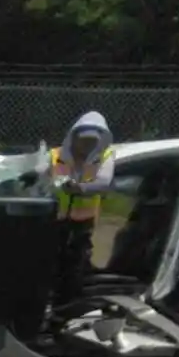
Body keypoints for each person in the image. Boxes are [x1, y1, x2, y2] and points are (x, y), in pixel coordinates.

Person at [50, 111, 115, 299]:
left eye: (93, 141)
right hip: (57, 219)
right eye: (84, 140)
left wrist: (81, 188)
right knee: (53, 262)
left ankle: (71, 300)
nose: (88, 145)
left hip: (83, 222)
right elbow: (57, 180)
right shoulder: (59, 155)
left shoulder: (103, 157)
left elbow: (103, 182)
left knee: (76, 265)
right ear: (74, 137)